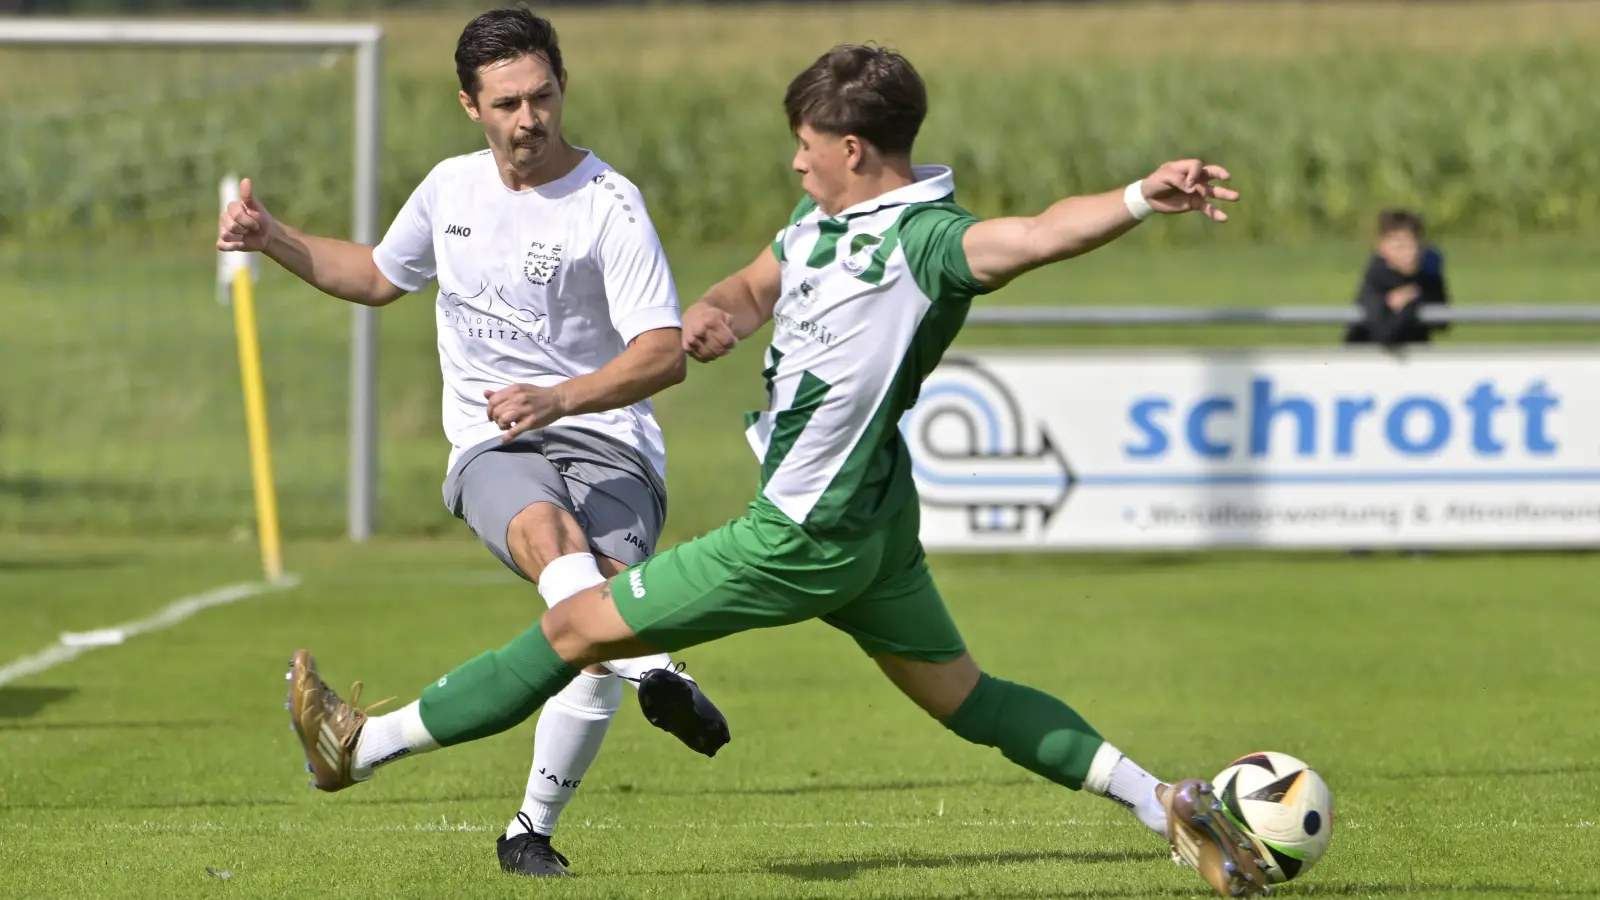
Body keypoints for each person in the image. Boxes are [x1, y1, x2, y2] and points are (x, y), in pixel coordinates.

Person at [283, 44, 1272, 898]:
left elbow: (1035, 233)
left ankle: (356, 749)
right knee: (967, 698)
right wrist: (719, 312)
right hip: (876, 524)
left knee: (573, 626)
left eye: (805, 141)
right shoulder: (818, 225)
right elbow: (754, 285)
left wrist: (1143, 196)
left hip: (802, 532)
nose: (793, 157)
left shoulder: (923, 240)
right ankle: (1169, 809)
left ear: (851, 150)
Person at [220, 7, 730, 880]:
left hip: (610, 442)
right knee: (557, 551)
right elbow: (379, 275)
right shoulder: (450, 189)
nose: (528, 119)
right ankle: (660, 673)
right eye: (506, 104)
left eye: (541, 97)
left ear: (563, 88)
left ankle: (518, 824)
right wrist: (274, 240)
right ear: (470, 105)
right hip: (495, 444)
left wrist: (559, 396)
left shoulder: (609, 203)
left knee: (588, 631)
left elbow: (660, 355)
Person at [1343, 208, 1450, 348]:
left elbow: (1442, 321)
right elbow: (1385, 334)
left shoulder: (1427, 274)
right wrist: (1408, 306)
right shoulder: (1376, 277)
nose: (1410, 253)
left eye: (1415, 245)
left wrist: (1412, 300)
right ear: (1382, 246)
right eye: (1400, 247)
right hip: (1366, 361)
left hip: (1414, 359)